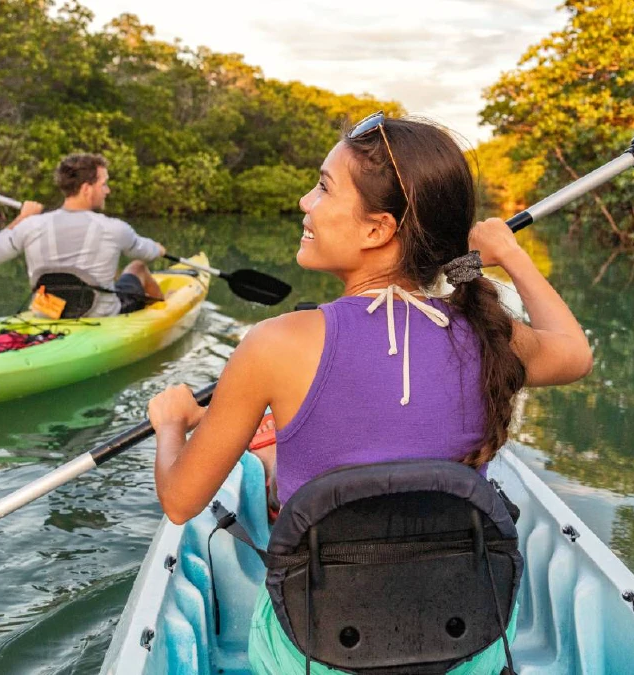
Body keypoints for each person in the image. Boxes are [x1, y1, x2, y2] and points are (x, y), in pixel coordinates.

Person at [146, 113, 594, 674]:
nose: (306, 202)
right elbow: (574, 354)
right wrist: (508, 253)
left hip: (318, 652)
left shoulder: (275, 343)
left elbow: (182, 500)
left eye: (324, 187)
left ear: (377, 228)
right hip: (461, 645)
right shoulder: (488, 333)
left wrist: (170, 424)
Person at [0, 153, 166, 317]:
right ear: (87, 189)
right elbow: (146, 252)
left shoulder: (31, 224)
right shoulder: (114, 228)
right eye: (103, 184)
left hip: (47, 314)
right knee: (137, 267)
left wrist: (22, 218)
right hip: (99, 315)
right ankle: (164, 316)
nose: (107, 191)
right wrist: (158, 249)